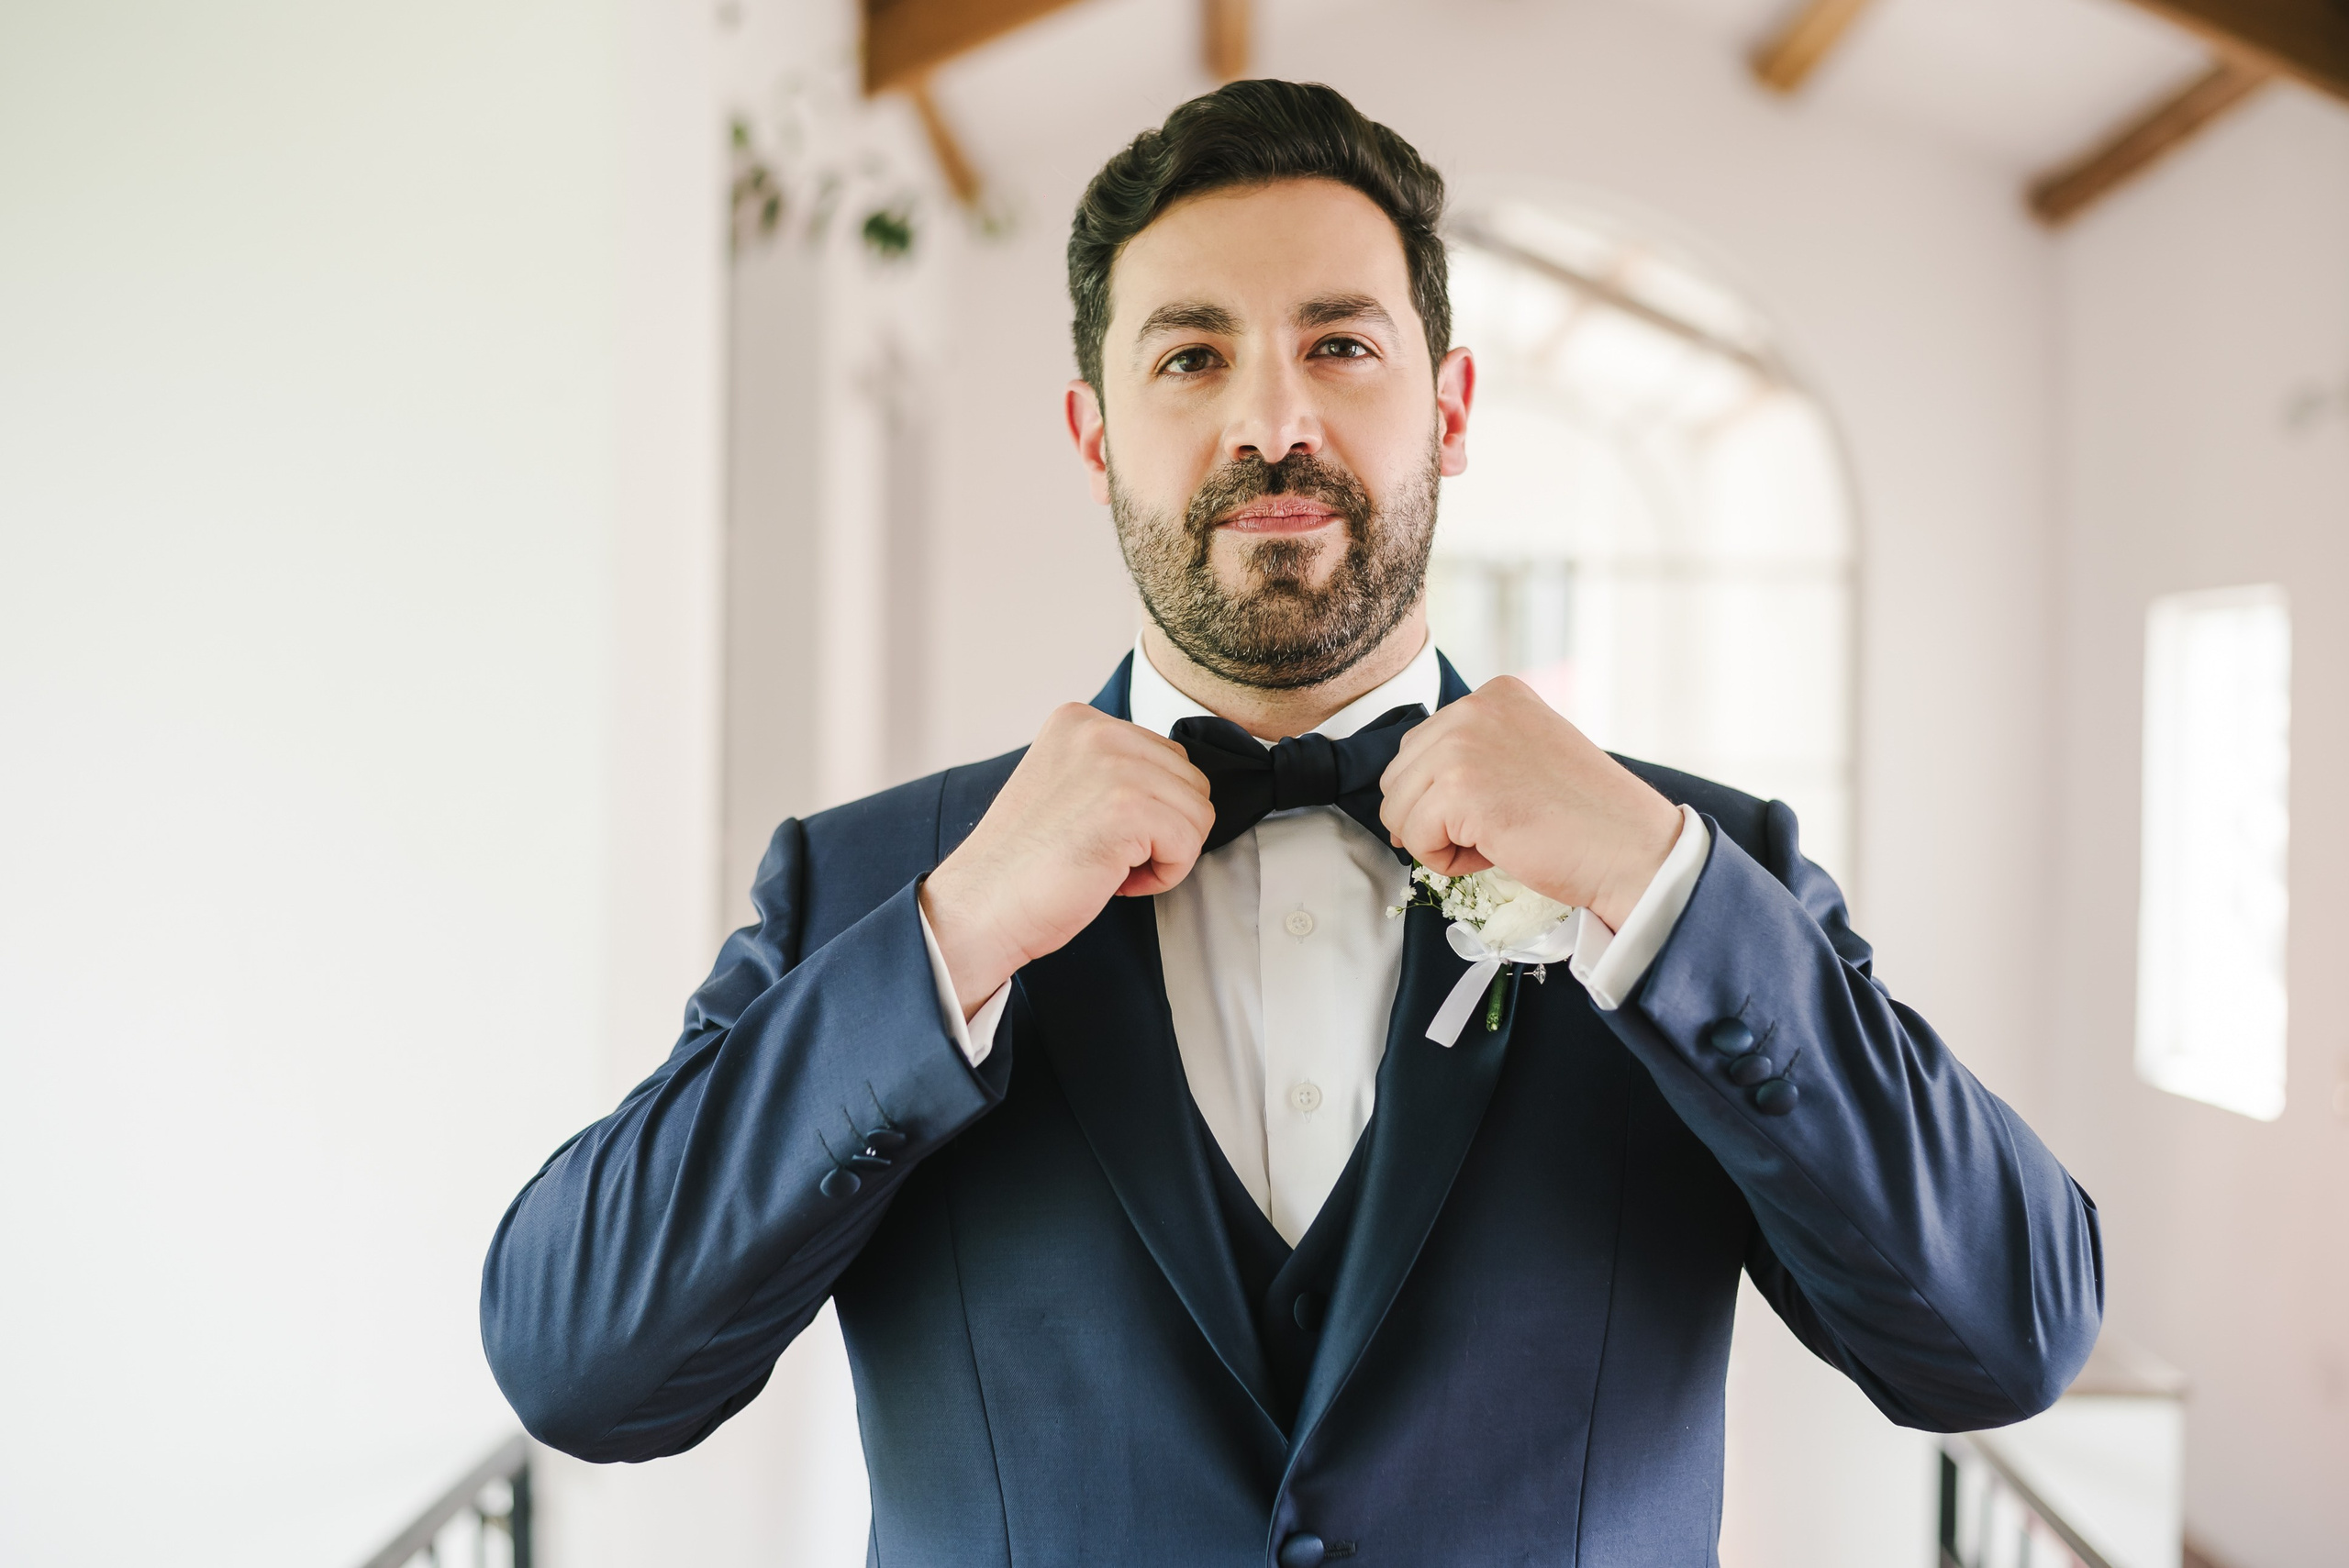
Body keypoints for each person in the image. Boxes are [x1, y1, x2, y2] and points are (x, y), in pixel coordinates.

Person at [481, 80, 2101, 1566]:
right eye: (1190, 356)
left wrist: (1656, 882)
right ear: (1093, 432)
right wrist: (954, 937)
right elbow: (583, 1363)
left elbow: (2006, 1330)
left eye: (1341, 346)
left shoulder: (1697, 864)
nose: (1276, 424)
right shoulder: (871, 883)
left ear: (1451, 408)